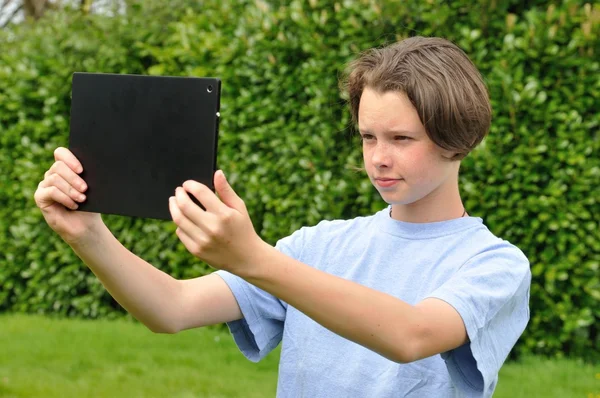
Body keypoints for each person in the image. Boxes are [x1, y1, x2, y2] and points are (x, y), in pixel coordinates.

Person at [34, 36, 531, 397]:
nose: (378, 157)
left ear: (460, 138)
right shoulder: (321, 245)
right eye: (367, 137)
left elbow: (411, 336)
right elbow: (173, 308)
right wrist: (86, 234)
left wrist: (254, 259)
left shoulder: (493, 264)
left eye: (402, 139)